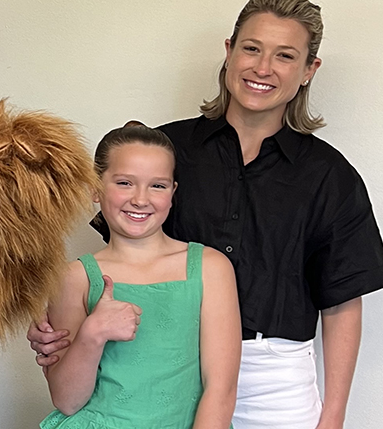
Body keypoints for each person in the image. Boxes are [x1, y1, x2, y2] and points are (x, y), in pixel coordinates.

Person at [29, 0, 383, 429]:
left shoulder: (329, 176)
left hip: (274, 379)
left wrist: (333, 414)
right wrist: (62, 330)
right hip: (161, 365)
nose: (262, 68)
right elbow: (123, 263)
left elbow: (341, 301)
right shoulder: (165, 151)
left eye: (284, 56)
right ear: (229, 51)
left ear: (307, 70)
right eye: (251, 48)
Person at [41, 121, 240, 429]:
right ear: (95, 187)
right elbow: (67, 400)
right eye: (124, 183)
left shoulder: (210, 268)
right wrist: (93, 333)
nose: (140, 199)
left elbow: (221, 389)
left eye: (157, 185)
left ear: (172, 192)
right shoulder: (74, 276)